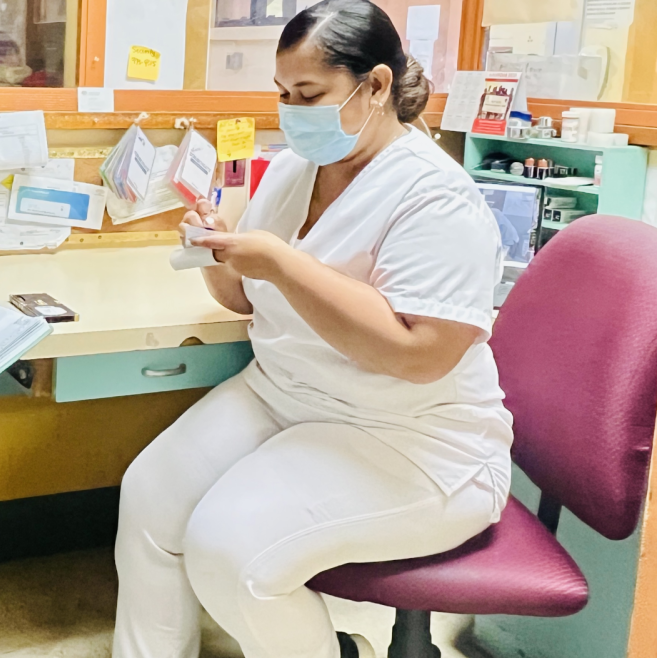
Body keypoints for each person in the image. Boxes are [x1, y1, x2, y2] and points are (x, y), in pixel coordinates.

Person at [112, 2, 512, 658]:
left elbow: (420, 357)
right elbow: (247, 297)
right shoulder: (299, 168)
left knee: (228, 550)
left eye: (308, 94)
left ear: (376, 85)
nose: (291, 111)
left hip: (413, 437)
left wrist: (279, 260)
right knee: (150, 498)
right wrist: (221, 250)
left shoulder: (436, 199)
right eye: (282, 94)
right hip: (286, 394)